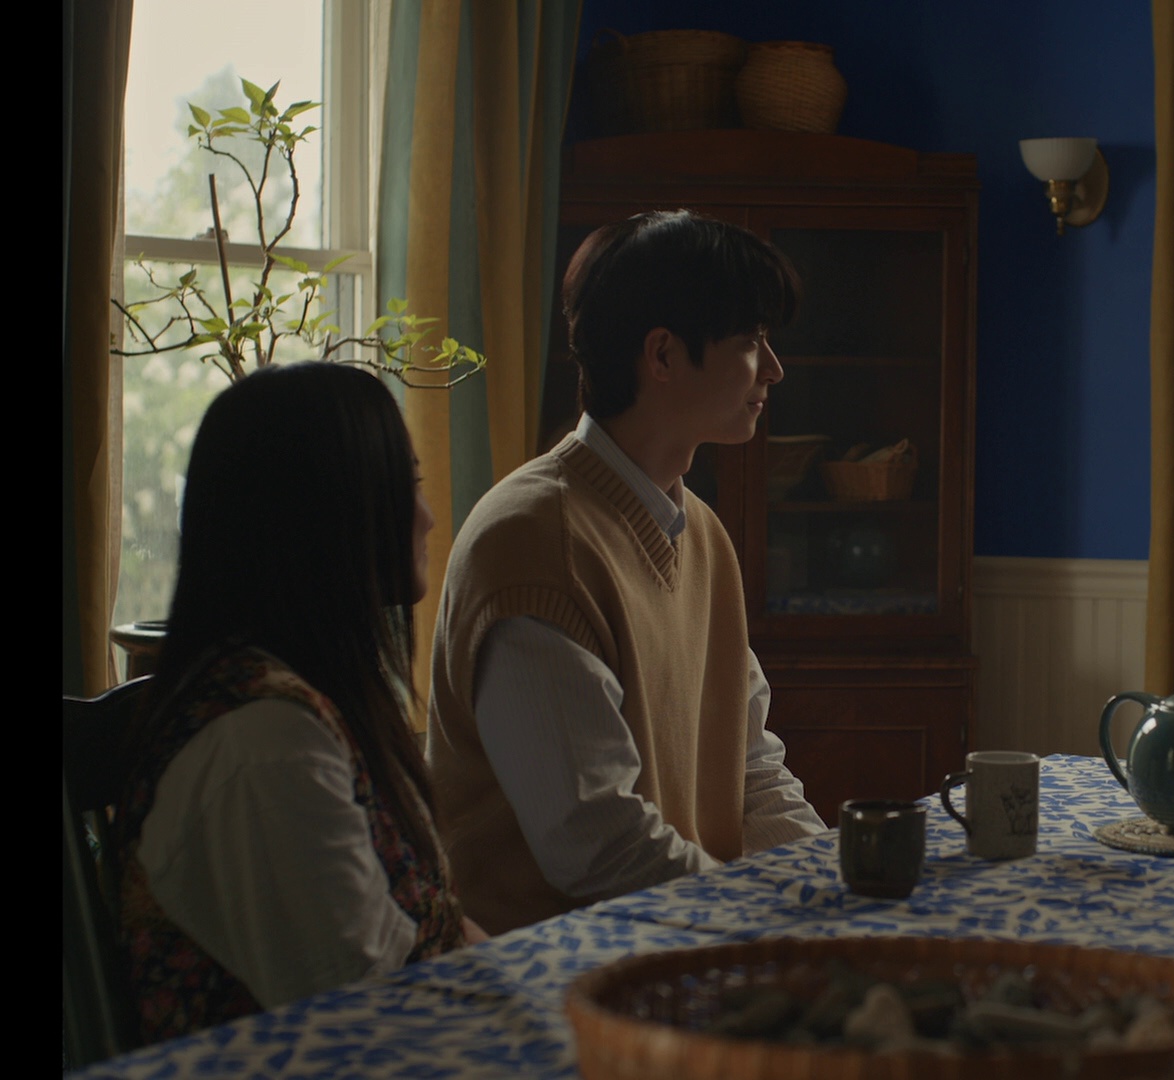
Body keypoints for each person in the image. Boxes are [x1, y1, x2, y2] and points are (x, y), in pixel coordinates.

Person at [429, 210, 827, 934]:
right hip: (554, 969)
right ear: (663, 355)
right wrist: (762, 918)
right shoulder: (532, 544)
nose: (773, 368)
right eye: (749, 341)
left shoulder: (700, 532)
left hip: (683, 939)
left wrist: (827, 890)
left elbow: (750, 769)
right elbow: (596, 845)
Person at [115, 361, 479, 1044]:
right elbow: (364, 1013)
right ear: (328, 517)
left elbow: (441, 930)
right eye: (405, 487)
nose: (429, 517)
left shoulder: (318, 705)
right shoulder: (263, 746)